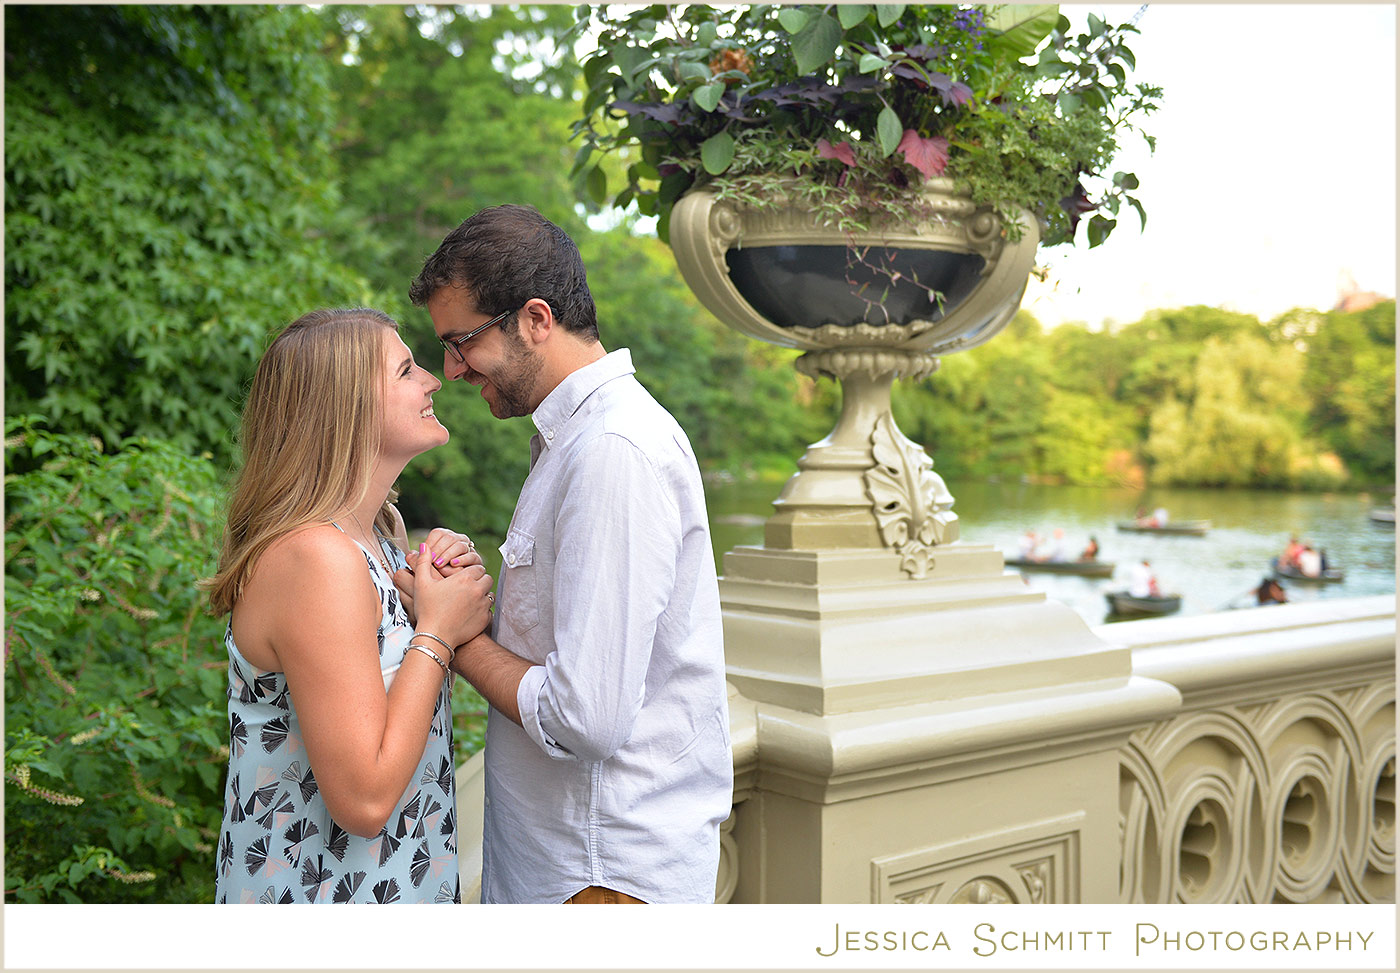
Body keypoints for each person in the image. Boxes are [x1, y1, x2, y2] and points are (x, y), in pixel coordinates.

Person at [408, 204, 732, 904]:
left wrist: (454, 636)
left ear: (535, 319)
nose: (451, 370)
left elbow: (587, 715)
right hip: (577, 867)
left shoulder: (612, 451)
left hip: (600, 876)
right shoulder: (580, 440)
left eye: (461, 342)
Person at [203, 308, 496, 904]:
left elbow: (402, 710)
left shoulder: (379, 535)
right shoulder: (316, 558)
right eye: (406, 370)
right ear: (346, 408)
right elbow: (363, 801)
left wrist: (440, 593)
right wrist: (438, 632)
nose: (434, 380)